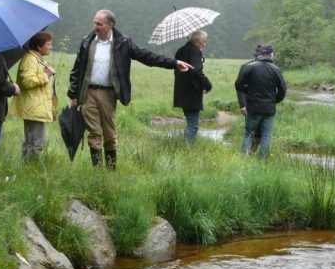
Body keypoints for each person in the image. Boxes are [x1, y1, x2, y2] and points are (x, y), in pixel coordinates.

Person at [68, 9, 192, 168]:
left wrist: (174, 63)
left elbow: (146, 56)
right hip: (88, 93)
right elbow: (77, 69)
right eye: (94, 23)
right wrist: (73, 94)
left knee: (109, 134)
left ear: (110, 25)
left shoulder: (123, 43)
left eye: (99, 24)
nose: (95, 27)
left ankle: (111, 171)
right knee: (94, 133)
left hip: (108, 94)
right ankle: (98, 173)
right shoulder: (87, 42)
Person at [235, 44, 286, 159]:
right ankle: (262, 160)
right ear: (271, 54)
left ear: (260, 54)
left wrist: (249, 94)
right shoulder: (276, 69)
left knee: (249, 133)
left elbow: (238, 85)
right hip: (269, 109)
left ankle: (245, 157)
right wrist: (273, 101)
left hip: (253, 107)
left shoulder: (249, 67)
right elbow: (283, 90)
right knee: (267, 135)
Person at [13, 29, 58, 161]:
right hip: (33, 107)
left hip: (36, 107)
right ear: (39, 46)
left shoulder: (37, 59)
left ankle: (27, 166)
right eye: (48, 44)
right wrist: (46, 75)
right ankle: (30, 167)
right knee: (36, 143)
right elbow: (27, 82)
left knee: (32, 141)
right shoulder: (30, 60)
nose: (50, 47)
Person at [173, 29, 212, 144]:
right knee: (193, 124)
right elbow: (196, 71)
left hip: (181, 92)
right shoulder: (194, 52)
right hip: (191, 93)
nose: (205, 44)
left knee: (191, 122)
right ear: (196, 40)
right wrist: (208, 85)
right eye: (204, 41)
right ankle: (188, 149)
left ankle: (187, 146)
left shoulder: (181, 50)